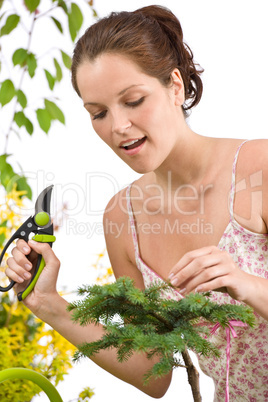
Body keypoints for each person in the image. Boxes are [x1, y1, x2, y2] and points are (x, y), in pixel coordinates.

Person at [6, 5, 268, 401]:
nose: (117, 127)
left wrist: (247, 284)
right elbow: (152, 372)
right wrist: (48, 303)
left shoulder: (257, 169)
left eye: (133, 100)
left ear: (175, 87)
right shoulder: (121, 217)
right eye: (98, 113)